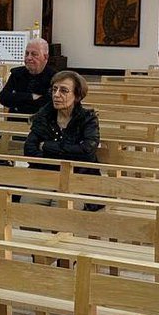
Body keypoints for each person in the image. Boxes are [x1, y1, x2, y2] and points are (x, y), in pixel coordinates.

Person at [24, 70, 102, 210]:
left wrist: (47, 147)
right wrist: (63, 156)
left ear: (77, 96)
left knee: (62, 209)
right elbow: (29, 149)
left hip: (78, 178)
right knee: (27, 206)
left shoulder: (87, 119)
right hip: (46, 176)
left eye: (64, 90)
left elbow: (86, 152)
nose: (56, 95)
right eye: (54, 89)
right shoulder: (44, 116)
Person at [0, 38, 57, 116]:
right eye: (27, 53)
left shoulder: (54, 77)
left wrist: (17, 97)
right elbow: (3, 97)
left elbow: (48, 103)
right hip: (16, 120)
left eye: (34, 54)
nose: (29, 58)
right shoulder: (17, 74)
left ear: (45, 57)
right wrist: (31, 96)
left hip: (42, 122)